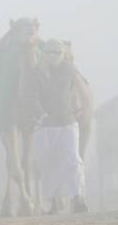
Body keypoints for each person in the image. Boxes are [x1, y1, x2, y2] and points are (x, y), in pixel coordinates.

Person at [31, 39, 88, 214]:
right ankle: (55, 202)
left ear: (62, 54)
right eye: (49, 52)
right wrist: (41, 114)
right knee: (49, 164)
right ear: (44, 54)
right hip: (45, 125)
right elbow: (32, 97)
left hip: (67, 123)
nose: (52, 56)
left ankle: (78, 198)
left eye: (56, 52)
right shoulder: (37, 72)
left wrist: (81, 108)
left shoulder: (70, 70)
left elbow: (82, 91)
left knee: (72, 160)